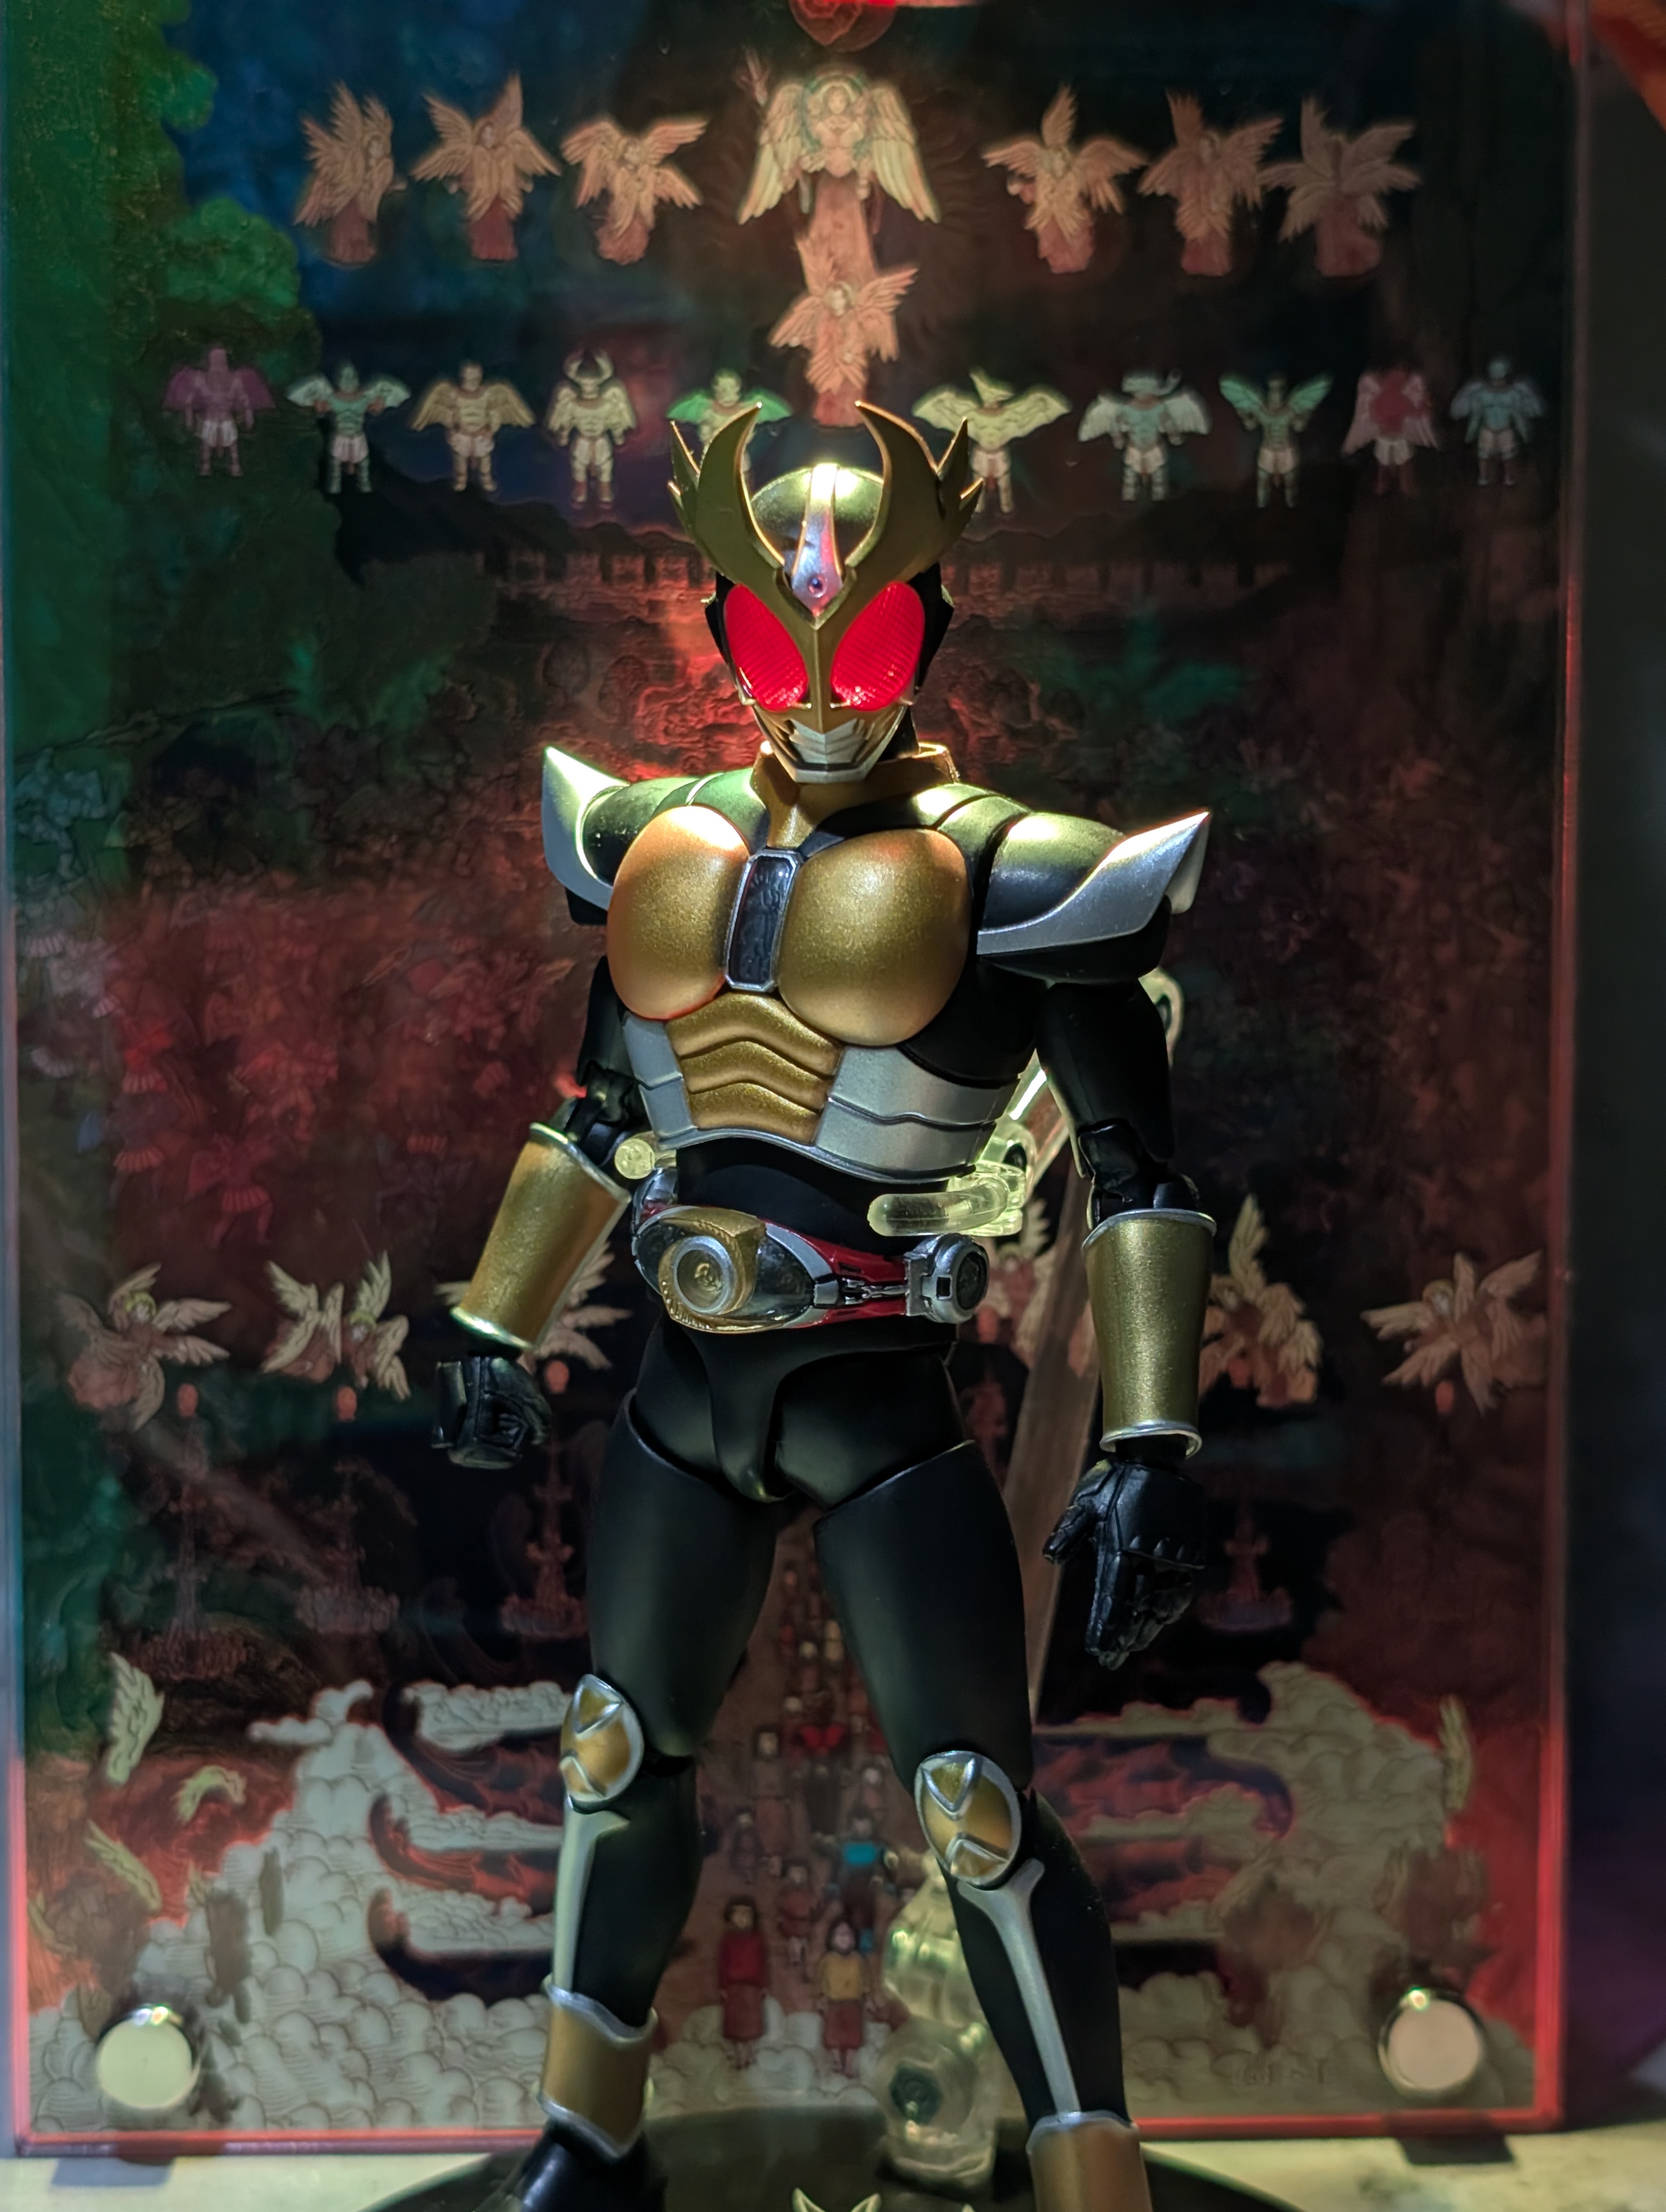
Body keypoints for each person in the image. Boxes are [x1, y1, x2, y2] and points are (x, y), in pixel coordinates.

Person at [435, 404, 1214, 2212]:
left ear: (925, 626)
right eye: (777, 644)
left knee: (977, 1813)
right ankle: (587, 2145)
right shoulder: (652, 841)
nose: (815, 686)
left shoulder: (1021, 876)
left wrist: (1153, 1442)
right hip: (682, 1394)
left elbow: (1140, 1177)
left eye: (856, 646)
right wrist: (494, 1321)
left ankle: (1094, 2189)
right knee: (614, 1755)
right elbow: (599, 1121)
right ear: (724, 630)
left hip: (879, 1409)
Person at [716, 1898, 768, 2067]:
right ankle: (740, 2057)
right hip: (733, 1989)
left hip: (752, 1989)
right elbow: (722, 1965)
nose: (742, 1918)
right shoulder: (727, 1941)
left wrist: (764, 1985)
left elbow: (763, 1964)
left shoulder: (757, 1940)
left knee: (752, 2025)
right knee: (736, 2026)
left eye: (746, 1914)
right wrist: (723, 1987)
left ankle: (750, 2054)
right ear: (730, 1917)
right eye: (737, 1914)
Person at [814, 1918, 869, 2076]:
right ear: (832, 1939)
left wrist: (868, 1999)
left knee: (853, 2036)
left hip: (853, 2003)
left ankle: (849, 2066)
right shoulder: (828, 1960)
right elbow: (821, 1980)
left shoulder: (858, 1960)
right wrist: (820, 1997)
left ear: (854, 1939)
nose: (844, 1937)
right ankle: (837, 2062)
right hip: (833, 2003)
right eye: (840, 1934)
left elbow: (865, 1980)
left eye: (848, 1934)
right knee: (833, 2035)